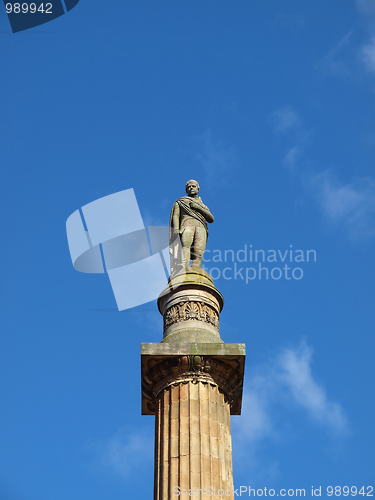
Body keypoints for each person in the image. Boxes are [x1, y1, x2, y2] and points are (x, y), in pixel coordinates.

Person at [169, 180, 214, 273]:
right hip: (186, 225)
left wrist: (198, 208)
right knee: (185, 245)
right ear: (186, 191)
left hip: (201, 227)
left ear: (198, 188)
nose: (191, 188)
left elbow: (211, 219)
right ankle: (183, 268)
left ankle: (195, 271)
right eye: (189, 187)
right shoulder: (181, 202)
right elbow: (175, 215)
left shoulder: (203, 206)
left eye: (193, 186)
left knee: (199, 251)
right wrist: (176, 229)